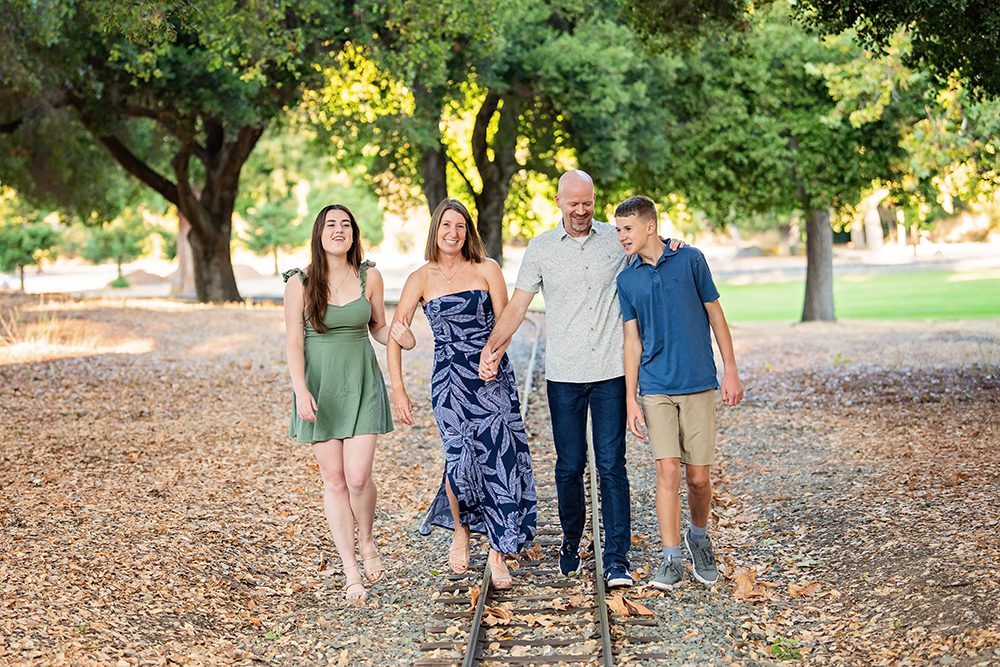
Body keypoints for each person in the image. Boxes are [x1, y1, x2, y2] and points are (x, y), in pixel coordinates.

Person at [479, 170, 683, 588]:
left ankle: (616, 559)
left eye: (587, 202)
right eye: (573, 202)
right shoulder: (540, 249)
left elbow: (650, 245)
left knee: (611, 467)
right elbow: (517, 307)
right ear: (557, 202)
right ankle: (571, 541)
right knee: (570, 466)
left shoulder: (616, 239)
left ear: (594, 200)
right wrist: (492, 349)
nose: (580, 210)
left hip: (610, 372)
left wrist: (675, 245)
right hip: (564, 376)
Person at [388, 199, 537, 590]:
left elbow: (506, 320)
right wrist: (399, 388)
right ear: (435, 231)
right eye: (445, 226)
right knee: (459, 461)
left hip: (491, 377)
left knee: (500, 460)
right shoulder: (419, 278)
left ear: (468, 231)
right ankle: (461, 530)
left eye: (459, 226)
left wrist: (494, 355)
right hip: (449, 381)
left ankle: (498, 551)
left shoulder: (487, 269)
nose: (452, 233)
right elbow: (395, 334)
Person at [283, 204, 415, 602]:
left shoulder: (368, 276)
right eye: (331, 225)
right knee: (335, 480)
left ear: (354, 234)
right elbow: (293, 340)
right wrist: (300, 389)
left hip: (360, 382)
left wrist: (400, 336)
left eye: (345, 225)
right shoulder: (299, 282)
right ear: (319, 234)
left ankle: (368, 540)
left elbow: (378, 327)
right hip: (320, 388)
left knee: (358, 477)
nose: (338, 231)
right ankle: (350, 569)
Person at [613, 195, 744, 590]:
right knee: (667, 470)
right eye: (618, 230)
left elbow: (716, 316)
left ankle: (698, 537)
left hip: (699, 382)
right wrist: (629, 397)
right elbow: (631, 342)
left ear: (650, 226)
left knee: (698, 478)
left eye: (627, 228)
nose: (621, 236)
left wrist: (731, 370)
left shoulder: (691, 260)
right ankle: (670, 558)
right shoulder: (627, 279)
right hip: (655, 387)